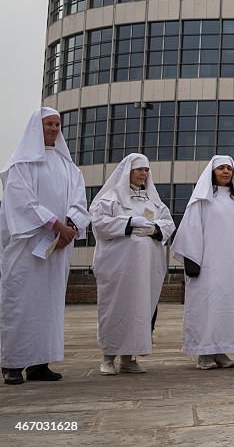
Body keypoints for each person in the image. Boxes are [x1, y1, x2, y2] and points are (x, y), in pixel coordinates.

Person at [0, 108, 90, 385]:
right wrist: (54, 225)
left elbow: (79, 201)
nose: (53, 128)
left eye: (57, 124)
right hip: (28, 247)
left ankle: (40, 362)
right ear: (35, 128)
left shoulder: (68, 166)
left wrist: (70, 226)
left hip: (57, 248)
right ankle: (13, 363)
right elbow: (22, 202)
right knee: (21, 301)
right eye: (48, 124)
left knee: (48, 306)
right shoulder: (20, 165)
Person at [90, 153, 175, 375]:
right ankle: (108, 357)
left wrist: (154, 229)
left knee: (140, 310)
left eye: (146, 170)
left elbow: (168, 224)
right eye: (139, 169)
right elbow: (99, 223)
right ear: (128, 171)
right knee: (115, 308)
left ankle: (129, 358)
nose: (143, 174)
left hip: (146, 268)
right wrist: (128, 223)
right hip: (119, 267)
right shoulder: (110, 198)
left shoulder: (152, 200)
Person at [170, 155, 234, 370]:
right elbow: (191, 229)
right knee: (204, 308)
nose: (226, 172)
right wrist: (191, 259)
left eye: (229, 168)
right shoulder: (201, 200)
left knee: (226, 309)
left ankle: (221, 349)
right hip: (206, 265)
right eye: (221, 168)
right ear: (212, 172)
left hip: (231, 266)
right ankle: (204, 352)